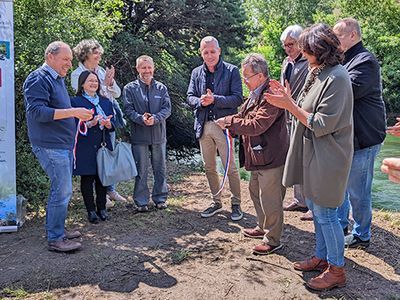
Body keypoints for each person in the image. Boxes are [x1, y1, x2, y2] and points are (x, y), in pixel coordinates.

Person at [265, 24, 353, 291]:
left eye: (306, 49)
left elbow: (323, 123)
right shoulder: (319, 72)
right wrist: (289, 98)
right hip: (315, 153)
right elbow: (305, 108)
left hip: (330, 156)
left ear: (320, 50)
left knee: (327, 214)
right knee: (317, 212)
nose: (302, 53)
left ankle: (336, 269)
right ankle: (322, 257)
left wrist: (289, 105)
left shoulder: (337, 77)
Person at [23, 41, 93, 252]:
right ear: (50, 57)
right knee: (61, 191)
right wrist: (73, 112)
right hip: (50, 146)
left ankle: (59, 230)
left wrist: (82, 118)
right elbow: (36, 112)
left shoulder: (57, 80)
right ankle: (55, 238)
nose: (69, 64)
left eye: (70, 60)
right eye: (65, 59)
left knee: (63, 190)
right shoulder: (38, 78)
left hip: (61, 145)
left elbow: (58, 111)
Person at [216, 53, 289, 255]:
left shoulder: (271, 94)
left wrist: (230, 122)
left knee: (270, 198)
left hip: (271, 157)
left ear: (260, 75)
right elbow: (244, 116)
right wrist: (231, 119)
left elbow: (258, 125)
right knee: (255, 190)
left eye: (247, 77)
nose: (244, 81)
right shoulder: (257, 93)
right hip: (259, 156)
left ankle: (273, 239)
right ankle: (262, 226)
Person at [333, 18, 386, 248]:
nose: (335, 42)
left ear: (353, 35)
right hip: (348, 136)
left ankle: (362, 234)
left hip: (364, 137)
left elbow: (347, 91)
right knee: (342, 186)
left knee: (358, 191)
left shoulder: (366, 61)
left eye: (339, 37)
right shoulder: (345, 59)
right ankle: (341, 224)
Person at [187, 36, 243, 221]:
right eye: (205, 52)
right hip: (203, 125)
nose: (209, 55)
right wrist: (201, 101)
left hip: (224, 125)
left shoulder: (232, 70)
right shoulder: (196, 72)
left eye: (212, 51)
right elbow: (189, 97)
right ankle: (216, 201)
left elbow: (237, 98)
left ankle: (236, 203)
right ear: (201, 53)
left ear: (219, 51)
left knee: (230, 167)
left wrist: (215, 99)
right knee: (209, 167)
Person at [71, 39, 127, 205]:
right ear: (86, 54)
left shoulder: (101, 70)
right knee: (91, 161)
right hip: (90, 121)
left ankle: (110, 191)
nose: (99, 57)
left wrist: (109, 84)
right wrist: (104, 85)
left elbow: (116, 93)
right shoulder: (76, 74)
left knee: (108, 155)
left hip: (107, 119)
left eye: (99, 54)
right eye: (96, 54)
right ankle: (97, 197)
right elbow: (81, 93)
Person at [123, 55, 171, 211]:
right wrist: (140, 118)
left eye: (149, 67)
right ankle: (141, 202)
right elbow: (128, 110)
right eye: (143, 67)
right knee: (141, 170)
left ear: (153, 68)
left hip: (158, 135)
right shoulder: (129, 88)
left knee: (160, 168)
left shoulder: (161, 88)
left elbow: (167, 109)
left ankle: (160, 198)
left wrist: (156, 118)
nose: (147, 70)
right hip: (139, 136)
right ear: (137, 69)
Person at [71, 71, 114, 223]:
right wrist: (89, 124)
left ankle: (102, 208)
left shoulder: (105, 102)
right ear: (82, 83)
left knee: (102, 177)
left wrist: (109, 124)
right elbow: (72, 125)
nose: (93, 83)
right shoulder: (75, 102)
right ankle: (91, 211)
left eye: (95, 81)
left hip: (103, 144)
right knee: (87, 178)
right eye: (90, 81)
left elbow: (113, 125)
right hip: (85, 145)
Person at [279, 25, 312, 220]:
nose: (288, 48)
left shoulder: (309, 63)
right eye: (285, 45)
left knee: (305, 160)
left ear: (300, 43)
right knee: (293, 157)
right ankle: (299, 199)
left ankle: (311, 204)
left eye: (290, 44)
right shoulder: (286, 62)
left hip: (302, 115)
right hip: (288, 117)